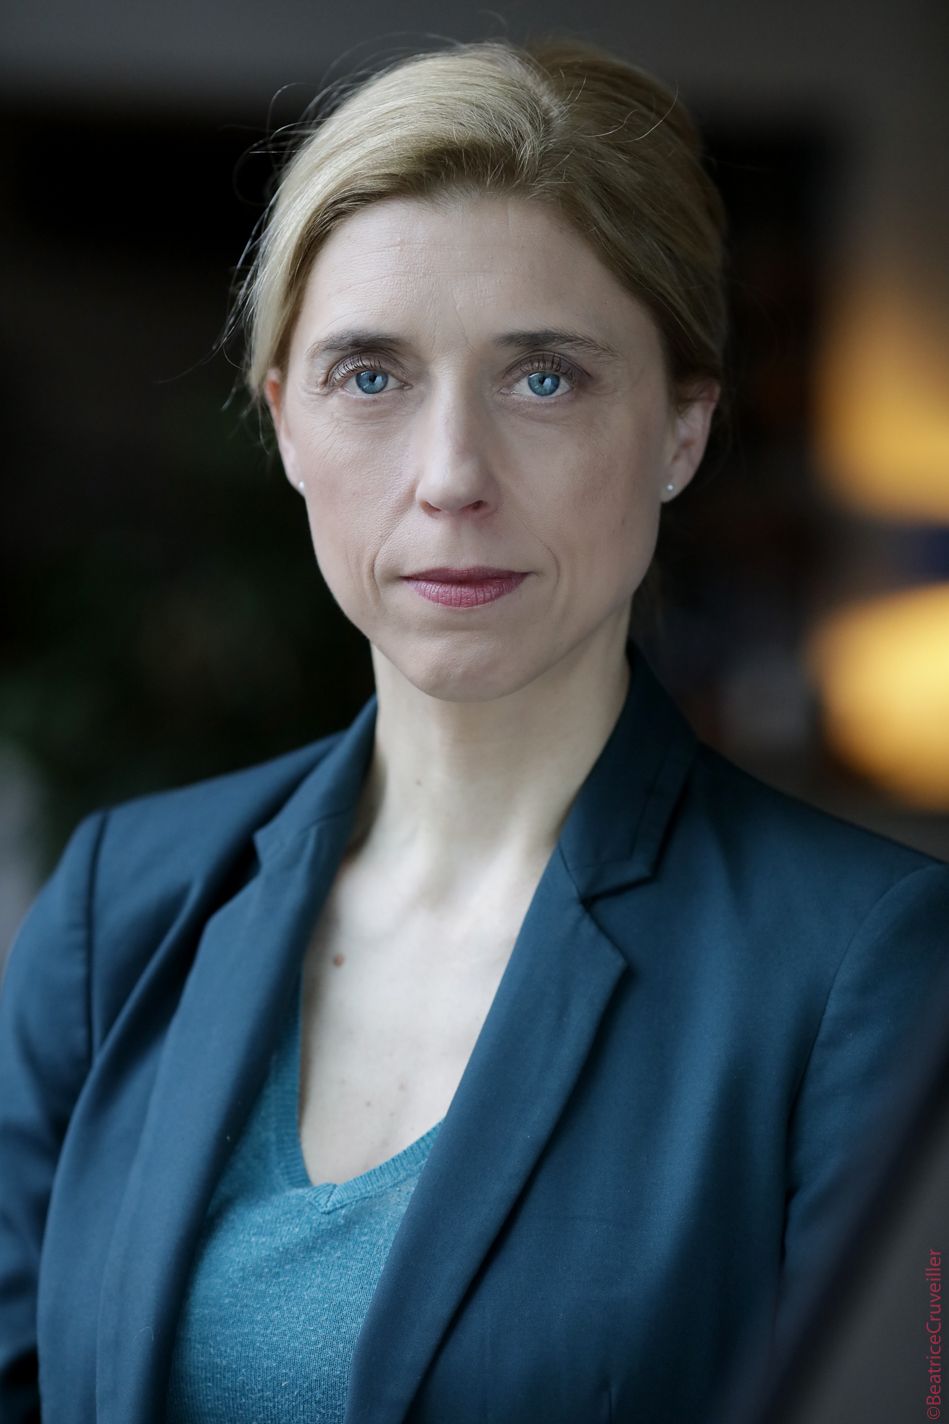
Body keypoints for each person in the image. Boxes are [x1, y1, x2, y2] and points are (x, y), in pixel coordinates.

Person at [1, 34, 947, 1424]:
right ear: (285, 423)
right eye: (370, 376)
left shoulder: (865, 965)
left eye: (544, 378)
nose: (451, 477)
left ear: (681, 432)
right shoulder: (116, 910)